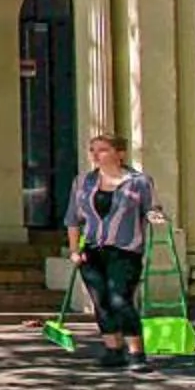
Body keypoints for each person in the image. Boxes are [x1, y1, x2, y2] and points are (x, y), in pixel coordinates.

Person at [64, 132, 165, 372]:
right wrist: (74, 250)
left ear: (120, 154)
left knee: (121, 299)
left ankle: (137, 353)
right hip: (91, 251)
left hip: (125, 250)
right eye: (93, 150)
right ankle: (113, 350)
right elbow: (72, 219)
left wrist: (156, 217)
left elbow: (152, 208)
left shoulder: (139, 182)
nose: (96, 155)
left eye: (103, 150)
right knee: (101, 301)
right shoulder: (83, 182)